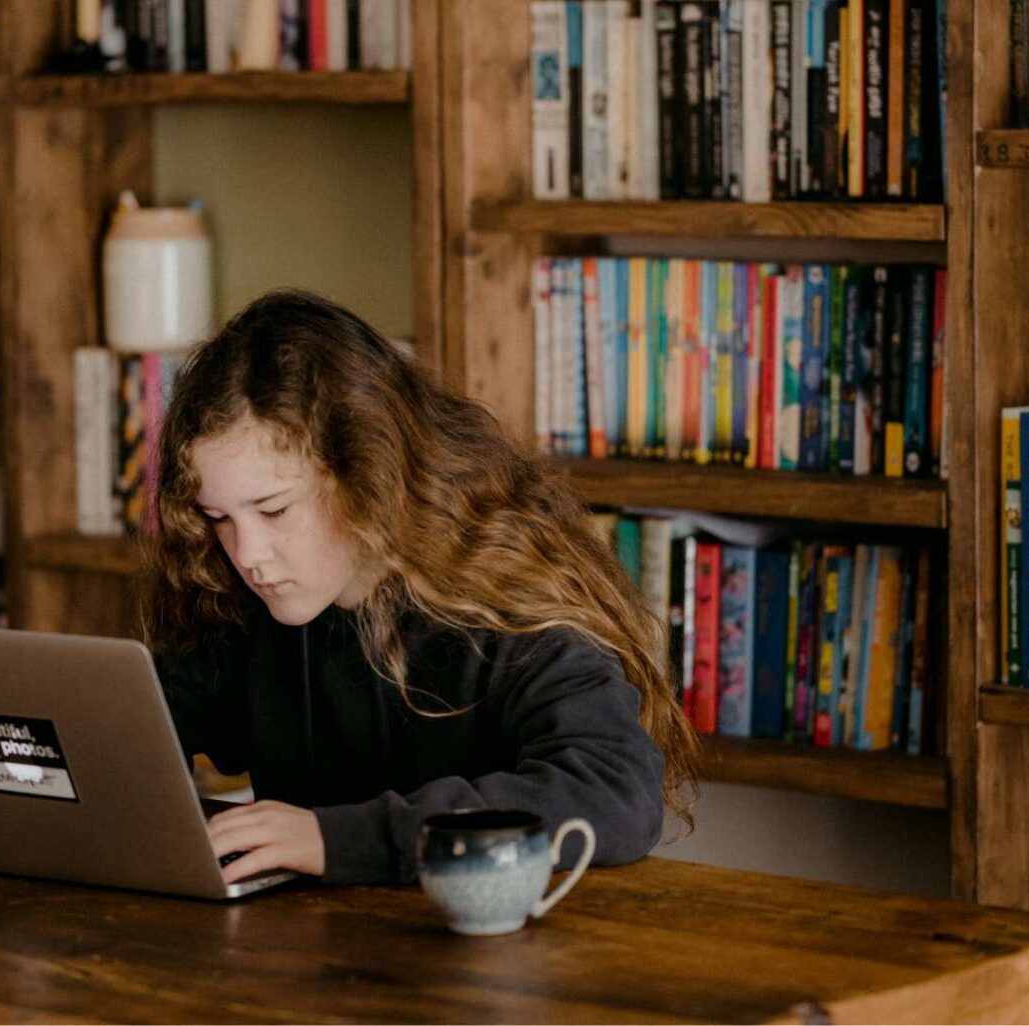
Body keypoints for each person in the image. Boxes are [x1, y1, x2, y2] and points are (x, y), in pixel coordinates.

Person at [146, 289, 698, 887]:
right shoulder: (244, 603)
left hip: (501, 961)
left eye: (274, 510)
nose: (247, 554)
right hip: (318, 956)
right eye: (219, 517)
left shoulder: (509, 599)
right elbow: (146, 730)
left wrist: (335, 839)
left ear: (368, 475)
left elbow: (614, 792)